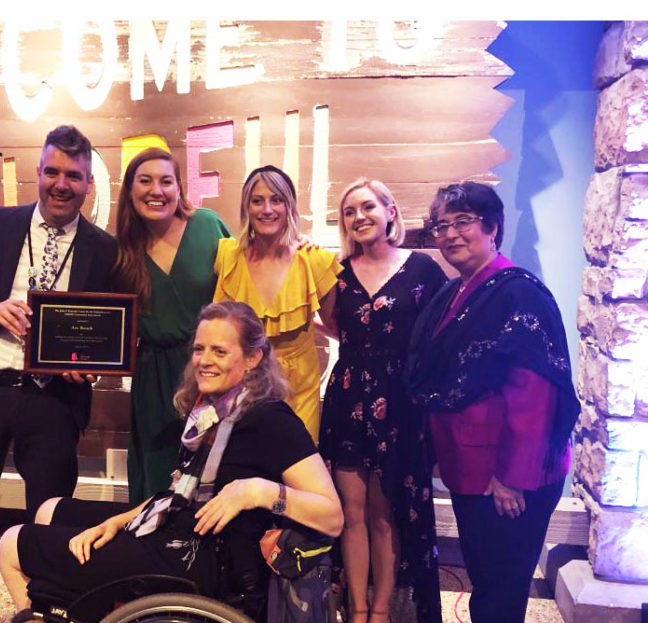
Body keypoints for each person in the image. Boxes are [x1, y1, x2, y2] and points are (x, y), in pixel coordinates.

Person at [0, 301, 343, 621]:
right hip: (182, 530)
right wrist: (118, 522)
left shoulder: (270, 419)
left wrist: (259, 491)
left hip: (209, 563)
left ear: (252, 358)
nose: (204, 360)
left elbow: (332, 516)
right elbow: (178, 496)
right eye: (199, 349)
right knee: (49, 510)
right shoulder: (212, 410)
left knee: (11, 543)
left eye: (220, 351)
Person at [0, 125, 118, 623]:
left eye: (73, 176)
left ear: (88, 183)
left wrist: (88, 369)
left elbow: (105, 333)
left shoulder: (104, 249)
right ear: (38, 173)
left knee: (49, 522)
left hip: (52, 404)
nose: (61, 184)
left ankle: (45, 615)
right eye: (52, 171)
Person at [405, 182, 580, 623]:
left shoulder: (517, 293)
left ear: (492, 227)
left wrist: (512, 479)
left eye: (463, 222)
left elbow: (533, 397)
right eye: (442, 226)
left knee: (500, 590)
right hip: (473, 471)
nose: (450, 234)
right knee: (487, 581)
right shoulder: (458, 290)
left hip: (507, 479)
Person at [319, 179, 446, 623]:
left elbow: (440, 337)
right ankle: (355, 609)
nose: (359, 217)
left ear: (390, 211)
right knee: (350, 512)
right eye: (349, 211)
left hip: (401, 401)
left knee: (385, 512)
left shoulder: (423, 269)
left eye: (368, 206)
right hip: (348, 397)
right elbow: (331, 325)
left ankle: (380, 610)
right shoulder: (336, 272)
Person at [113, 148, 231, 503]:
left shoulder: (208, 226)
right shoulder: (123, 250)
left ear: (179, 188)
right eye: (145, 181)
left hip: (211, 372)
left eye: (166, 181)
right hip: (155, 379)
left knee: (213, 470)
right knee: (159, 473)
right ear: (130, 191)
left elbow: (246, 275)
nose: (156, 190)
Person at [213, 165, 341, 441]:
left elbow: (333, 324)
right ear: (247, 207)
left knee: (299, 469)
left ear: (289, 206)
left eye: (276, 200)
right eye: (257, 200)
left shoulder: (314, 261)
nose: (266, 209)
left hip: (300, 389)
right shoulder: (228, 257)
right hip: (242, 385)